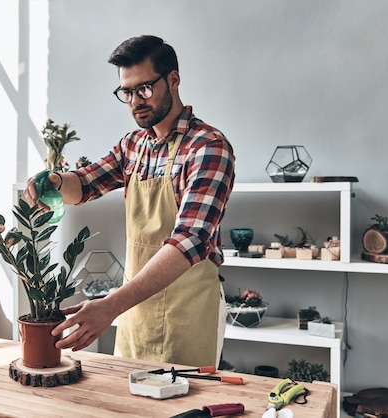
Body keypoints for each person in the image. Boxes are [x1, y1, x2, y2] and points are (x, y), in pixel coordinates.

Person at [23, 35, 235, 367]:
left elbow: (190, 241)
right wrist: (55, 180)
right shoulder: (133, 145)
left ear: (174, 80)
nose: (136, 100)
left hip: (186, 313)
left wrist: (109, 306)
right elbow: (86, 183)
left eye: (144, 89)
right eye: (127, 92)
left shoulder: (208, 147)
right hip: (134, 310)